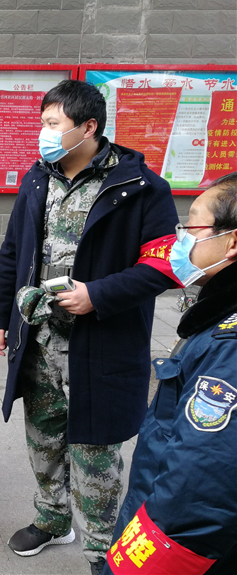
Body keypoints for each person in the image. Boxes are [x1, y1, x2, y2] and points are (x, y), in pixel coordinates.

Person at [0, 80, 179, 574]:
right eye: (43, 123)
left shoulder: (142, 189)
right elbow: (13, 252)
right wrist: (0, 316)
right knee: (44, 438)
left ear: (88, 127)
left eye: (54, 124)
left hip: (100, 344)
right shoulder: (37, 178)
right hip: (39, 339)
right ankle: (52, 519)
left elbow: (163, 267)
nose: (44, 133)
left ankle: (100, 550)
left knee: (95, 454)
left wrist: (98, 294)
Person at [103, 172, 237, 575]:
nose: (181, 239)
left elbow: (199, 483)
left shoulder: (229, 346)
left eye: (192, 226)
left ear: (231, 242)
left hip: (172, 541)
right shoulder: (218, 318)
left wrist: (133, 566)